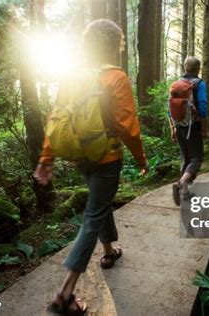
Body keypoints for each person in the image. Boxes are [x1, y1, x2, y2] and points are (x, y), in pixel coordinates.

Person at [34, 19, 148, 315]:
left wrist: (46, 157)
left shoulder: (71, 75)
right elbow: (127, 127)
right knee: (93, 215)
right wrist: (140, 158)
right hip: (107, 156)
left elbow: (56, 117)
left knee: (100, 202)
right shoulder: (116, 77)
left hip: (80, 155)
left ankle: (109, 252)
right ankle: (65, 292)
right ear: (115, 44)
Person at [170, 56, 209, 205]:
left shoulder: (177, 84)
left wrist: (173, 128)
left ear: (185, 67)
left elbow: (169, 108)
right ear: (198, 69)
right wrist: (205, 129)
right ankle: (181, 184)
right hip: (193, 126)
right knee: (196, 158)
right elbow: (203, 107)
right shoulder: (199, 84)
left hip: (179, 125)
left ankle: (185, 194)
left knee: (185, 158)